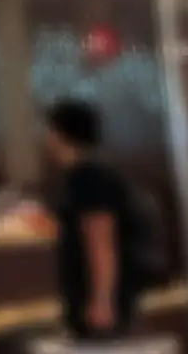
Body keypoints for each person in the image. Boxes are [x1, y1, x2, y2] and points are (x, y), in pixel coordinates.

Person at [41, 99, 147, 341]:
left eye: (49, 131)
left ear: (60, 134)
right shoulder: (90, 175)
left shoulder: (88, 178)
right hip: (99, 297)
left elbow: (101, 241)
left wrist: (102, 301)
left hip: (97, 301)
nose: (46, 140)